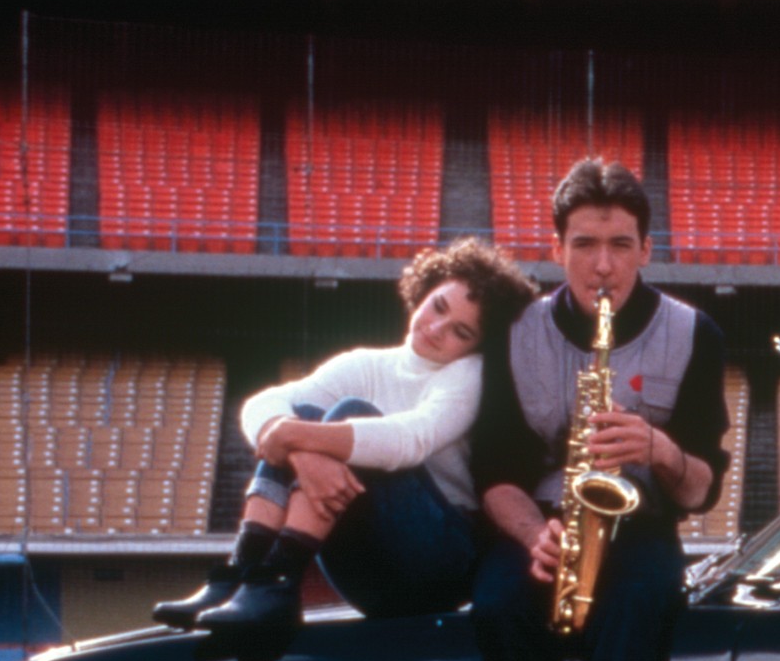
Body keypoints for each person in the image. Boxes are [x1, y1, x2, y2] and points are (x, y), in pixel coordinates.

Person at [469, 157, 729, 661]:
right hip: (541, 519)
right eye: (585, 244)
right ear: (558, 248)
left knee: (641, 605)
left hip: (640, 521)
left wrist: (657, 448)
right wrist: (532, 538)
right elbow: (494, 468)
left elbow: (704, 483)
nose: (603, 265)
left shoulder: (693, 332)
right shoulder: (516, 332)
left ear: (647, 249)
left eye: (620, 244)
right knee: (495, 610)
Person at [155, 238, 535, 632]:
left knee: (345, 416)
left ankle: (276, 580)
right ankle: (241, 576)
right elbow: (263, 403)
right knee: (300, 414)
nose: (437, 329)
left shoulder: (470, 373)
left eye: (461, 331)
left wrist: (294, 437)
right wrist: (298, 448)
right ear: (423, 291)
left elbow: (410, 440)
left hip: (439, 564)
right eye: (438, 306)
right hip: (367, 573)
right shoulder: (364, 363)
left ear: (476, 345)